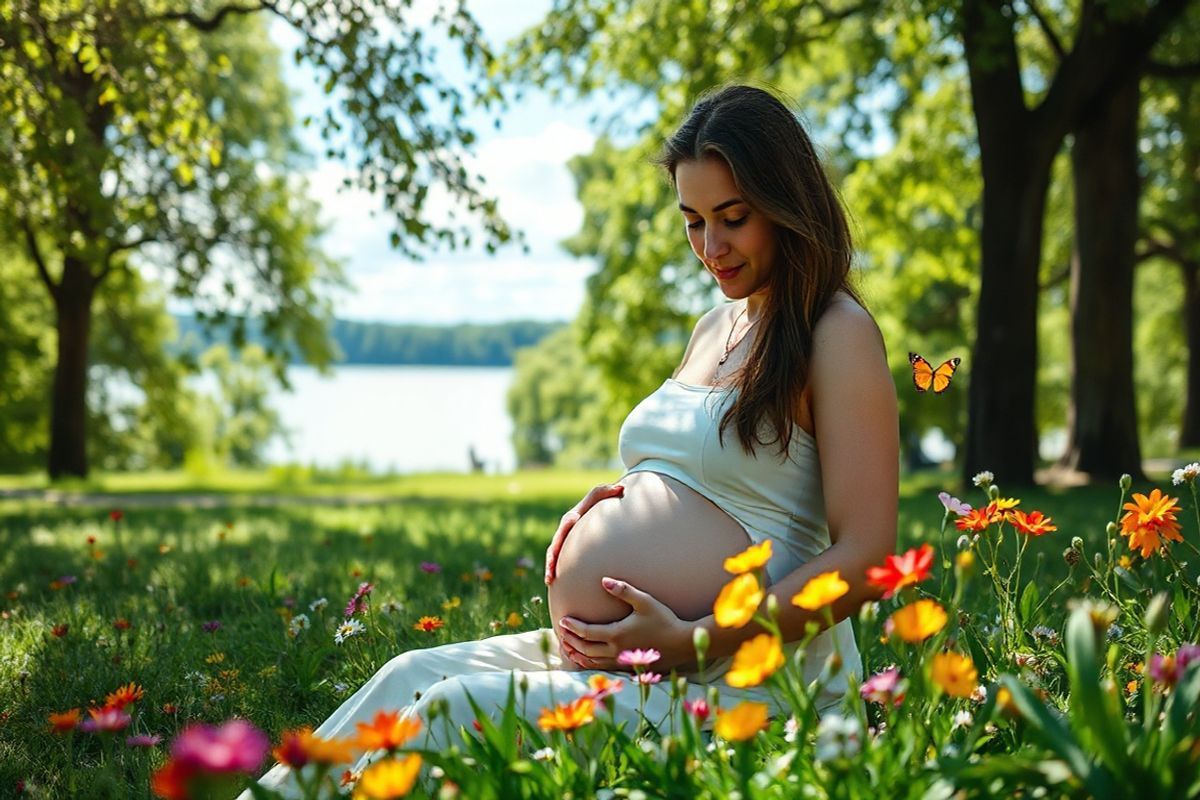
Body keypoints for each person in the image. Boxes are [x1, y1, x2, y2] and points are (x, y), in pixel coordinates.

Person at [243, 83, 898, 797]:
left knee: (454, 710)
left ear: (786, 203)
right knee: (405, 676)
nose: (711, 247)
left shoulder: (836, 333)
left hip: (749, 690)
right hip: (639, 663)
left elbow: (865, 557)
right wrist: (624, 495)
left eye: (732, 218)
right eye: (692, 222)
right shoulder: (717, 325)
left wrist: (698, 635)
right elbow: (709, 476)